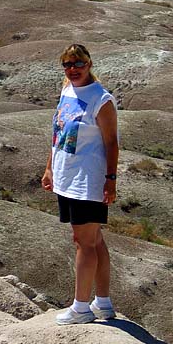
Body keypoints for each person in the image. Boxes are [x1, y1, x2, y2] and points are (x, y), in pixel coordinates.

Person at [41, 44, 119, 325]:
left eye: (78, 64)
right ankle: (104, 303)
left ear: (89, 64)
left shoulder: (101, 99)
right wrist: (50, 168)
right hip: (67, 177)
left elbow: (112, 143)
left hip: (88, 180)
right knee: (94, 240)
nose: (72, 69)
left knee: (83, 242)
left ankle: (81, 308)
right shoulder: (67, 90)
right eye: (67, 64)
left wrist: (110, 180)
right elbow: (58, 131)